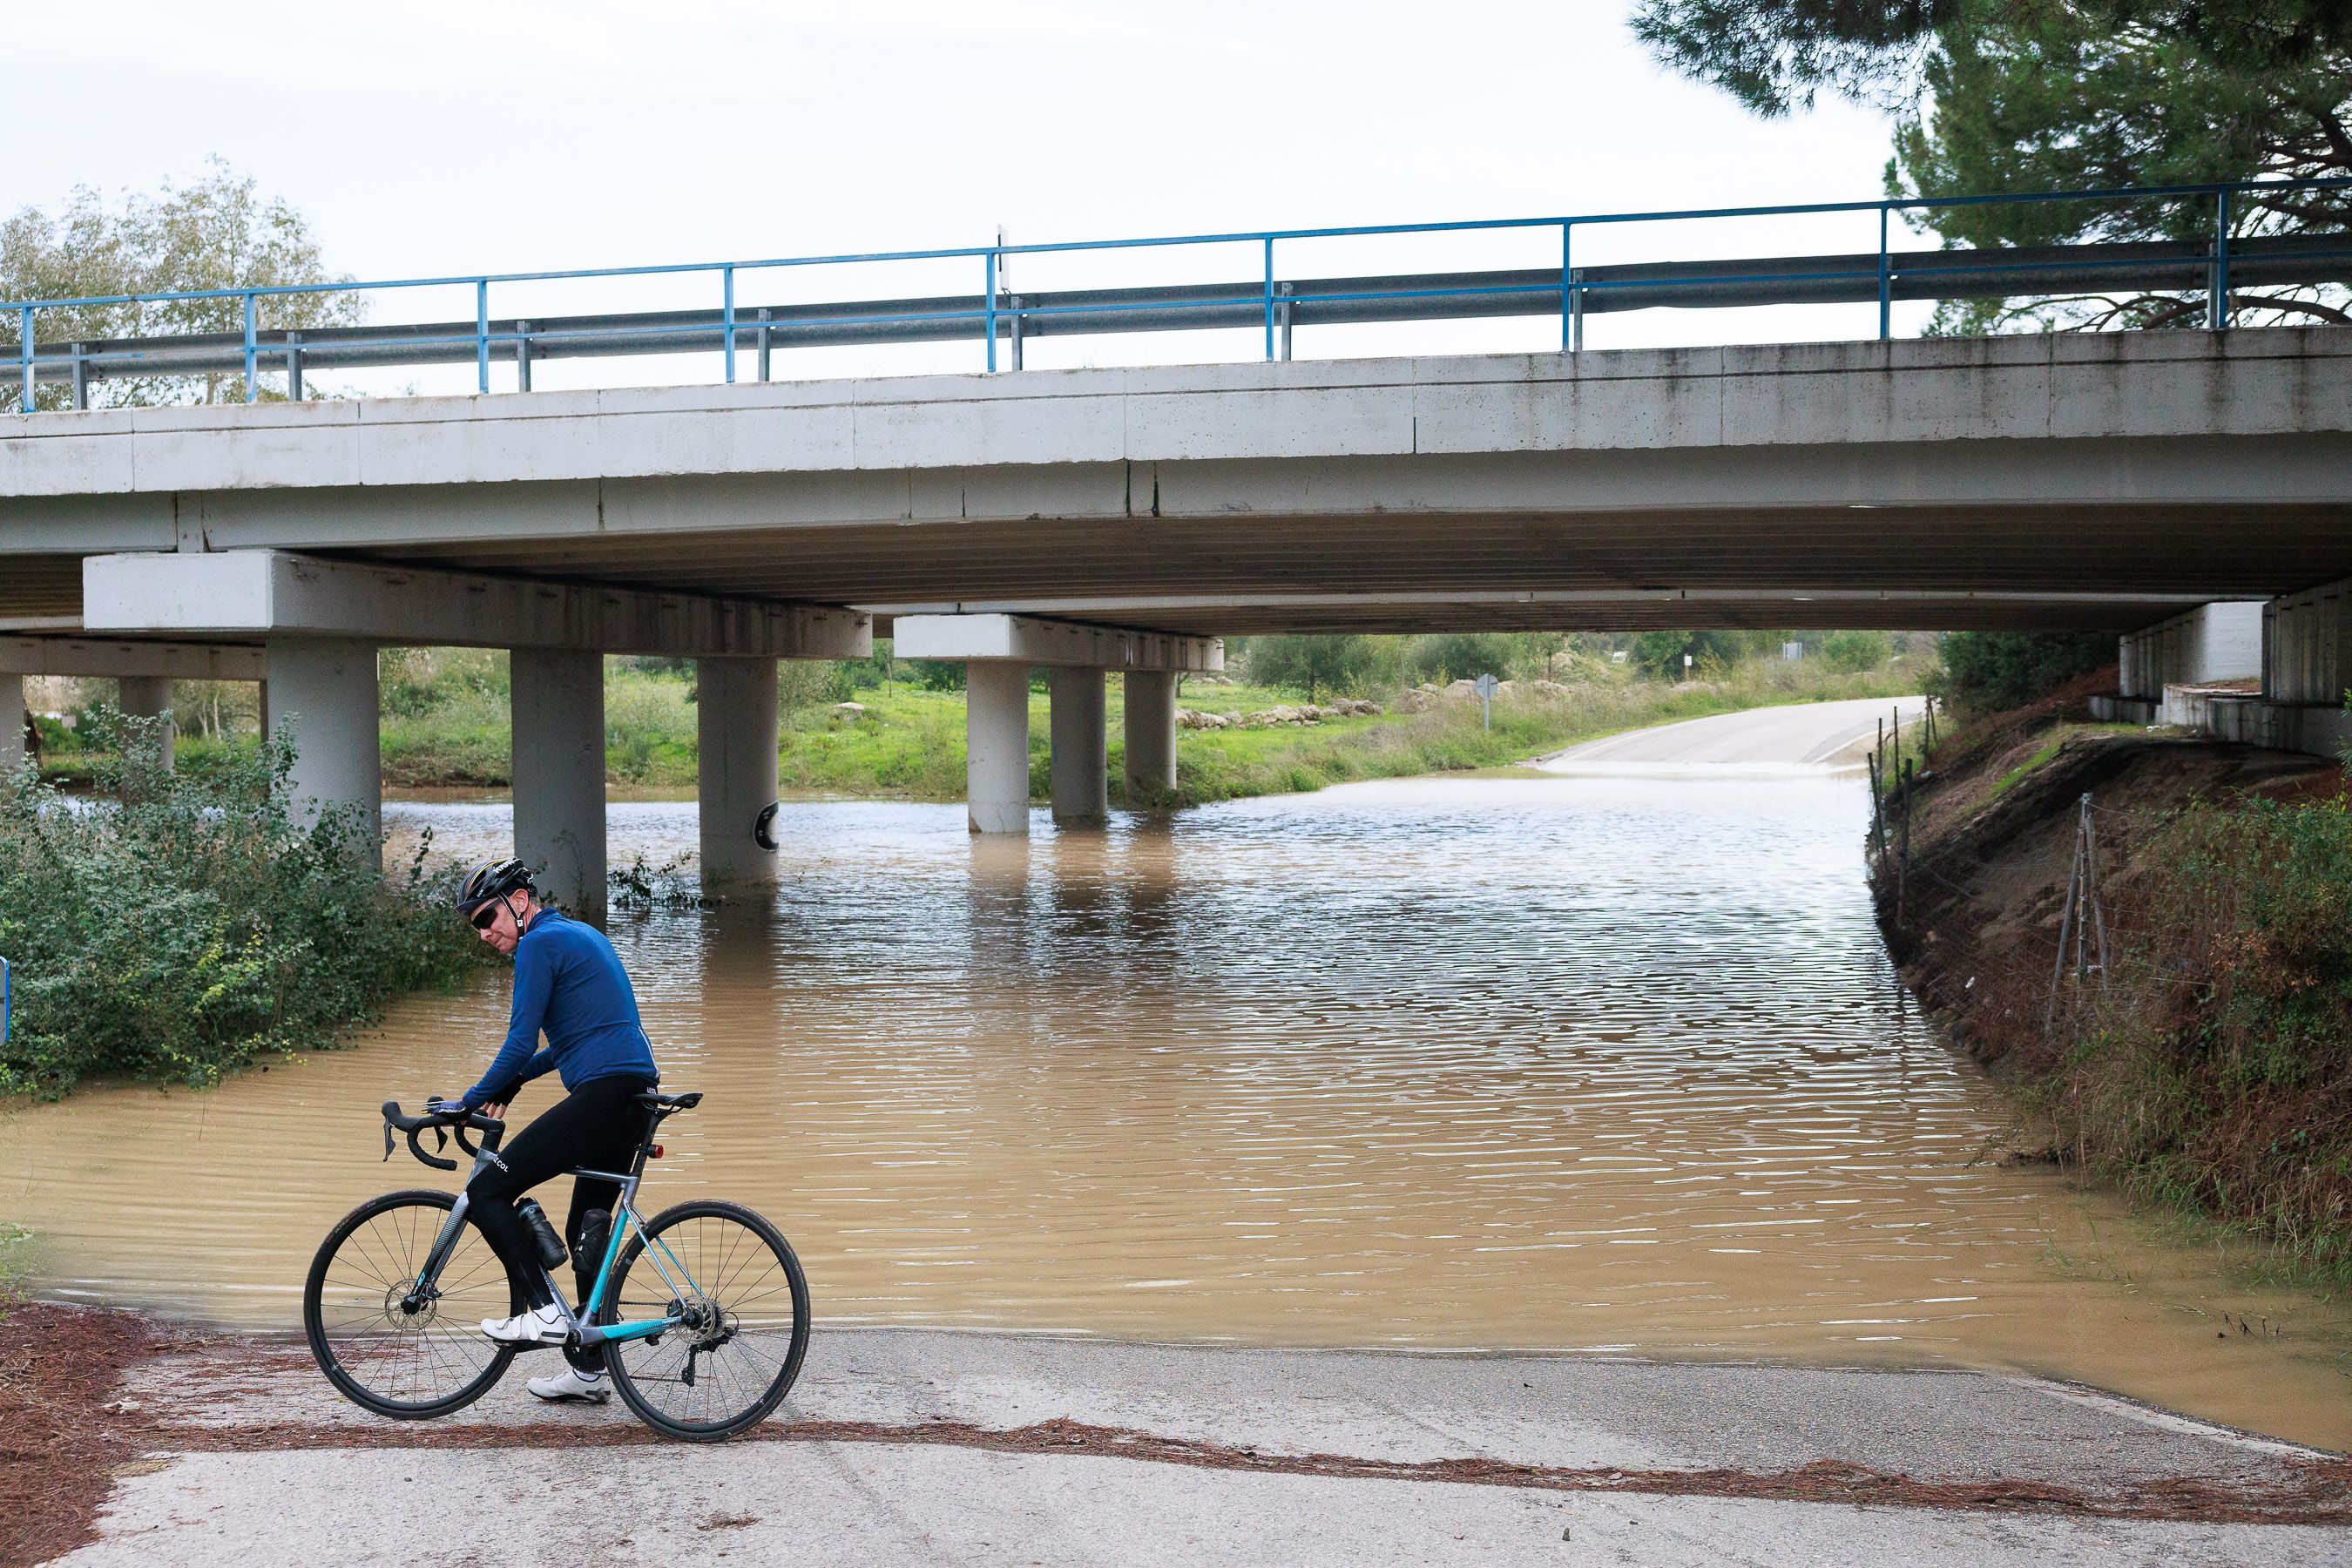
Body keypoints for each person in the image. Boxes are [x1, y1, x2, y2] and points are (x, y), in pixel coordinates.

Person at [449, 858, 659, 1406]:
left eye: (487, 916)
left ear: (520, 902)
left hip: (604, 1095)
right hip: (632, 1092)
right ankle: (589, 1371)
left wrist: (467, 1102)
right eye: (474, 923)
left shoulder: (539, 945)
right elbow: (573, 1041)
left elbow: (520, 1042)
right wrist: (513, 1084)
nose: (483, 931)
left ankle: (539, 1310)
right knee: (585, 1229)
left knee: (488, 1190)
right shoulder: (579, 933)